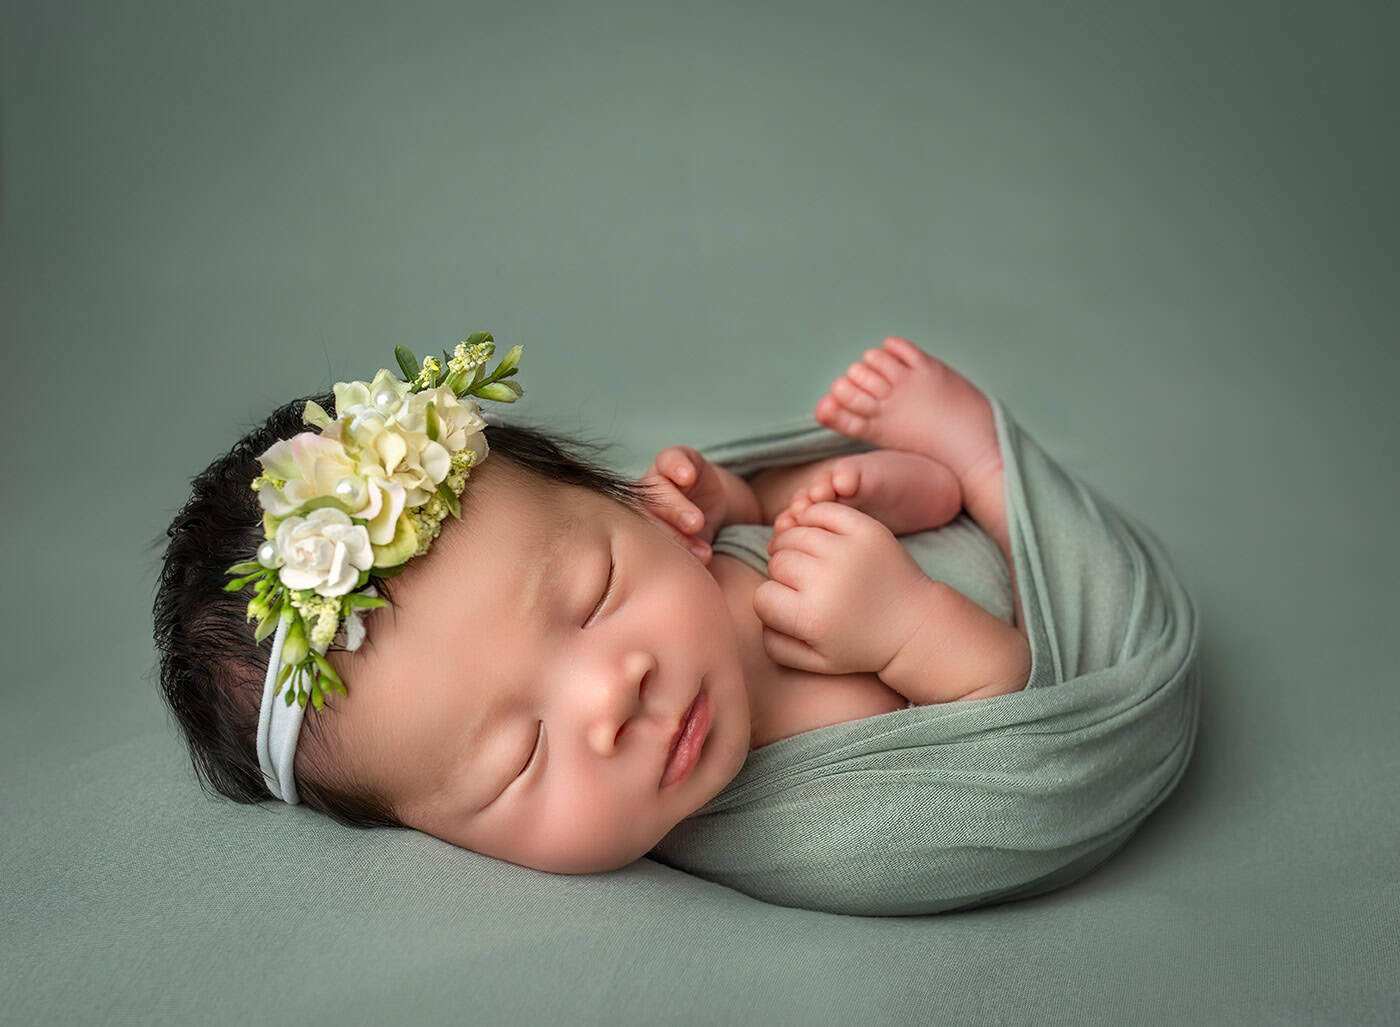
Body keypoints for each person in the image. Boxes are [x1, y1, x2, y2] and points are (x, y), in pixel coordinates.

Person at [153, 334, 1030, 876]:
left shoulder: (679, 546)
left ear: (635, 511)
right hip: (995, 629)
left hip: (817, 545)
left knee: (836, 499)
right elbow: (1024, 755)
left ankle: (942, 479)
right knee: (961, 541)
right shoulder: (827, 828)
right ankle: (993, 476)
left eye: (593, 597)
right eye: (521, 757)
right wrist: (909, 624)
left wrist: (732, 504)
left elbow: (721, 524)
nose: (611, 696)